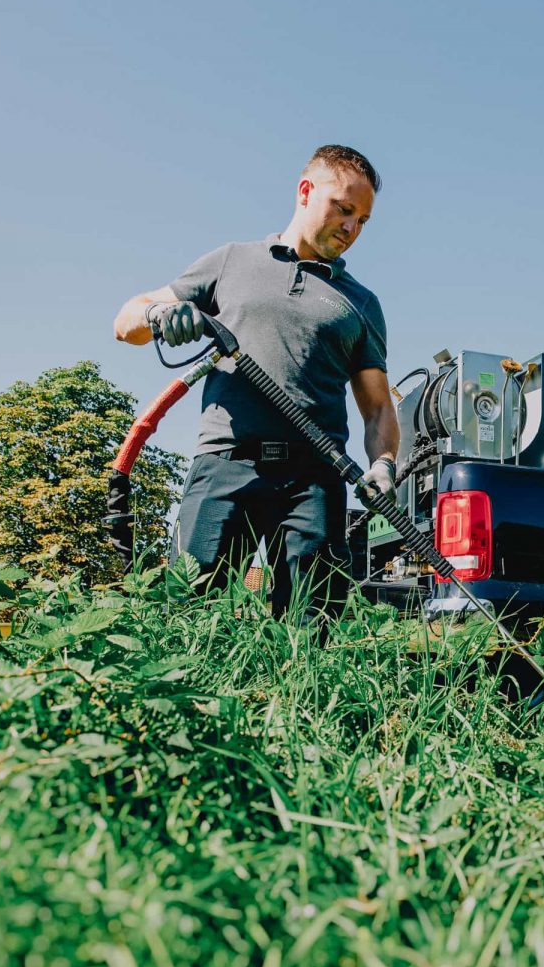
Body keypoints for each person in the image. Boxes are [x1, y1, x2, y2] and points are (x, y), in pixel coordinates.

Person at [112, 144, 397, 614]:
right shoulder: (231, 262)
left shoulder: (361, 304)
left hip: (316, 477)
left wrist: (383, 463)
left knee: (312, 628)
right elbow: (126, 323)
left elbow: (379, 408)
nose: (351, 228)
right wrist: (162, 313)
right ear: (306, 191)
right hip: (225, 463)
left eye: (363, 220)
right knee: (188, 612)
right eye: (343, 210)